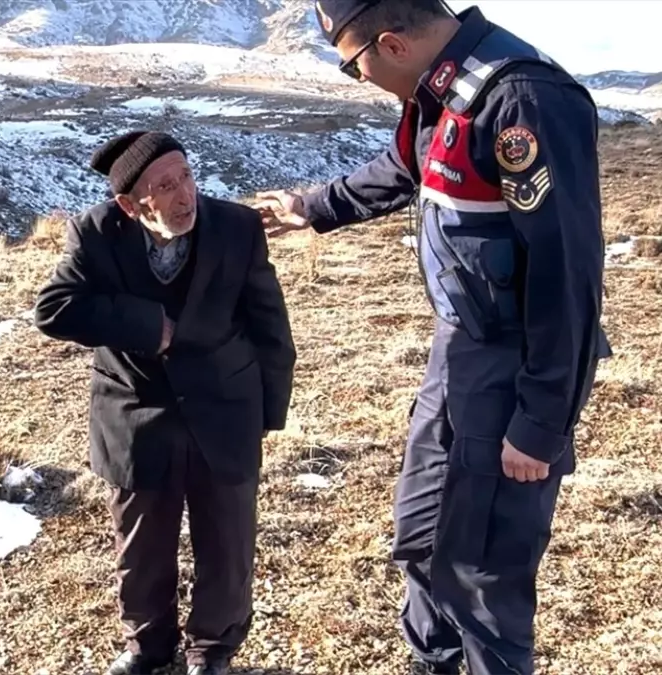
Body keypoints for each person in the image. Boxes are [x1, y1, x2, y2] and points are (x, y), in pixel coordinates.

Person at [254, 2, 612, 674]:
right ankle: (432, 661)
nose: (356, 77)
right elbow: (405, 168)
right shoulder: (438, 92)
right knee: (420, 537)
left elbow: (565, 277)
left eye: (351, 63)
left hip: (515, 365)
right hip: (459, 349)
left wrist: (539, 423)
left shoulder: (520, 99)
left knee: (482, 568)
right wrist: (311, 207)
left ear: (389, 43)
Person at [34, 130, 297, 675]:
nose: (184, 195)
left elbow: (269, 322)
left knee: (227, 544)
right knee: (142, 549)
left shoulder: (236, 227)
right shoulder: (94, 233)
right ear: (130, 204)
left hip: (225, 408)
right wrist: (147, 324)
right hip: (137, 413)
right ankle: (147, 650)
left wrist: (268, 413)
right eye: (164, 186)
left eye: (187, 177)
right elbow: (54, 309)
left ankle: (212, 651)